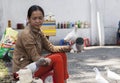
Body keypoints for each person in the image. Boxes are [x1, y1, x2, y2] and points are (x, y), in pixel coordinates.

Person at [12, 5, 72, 83]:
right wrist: (46, 60)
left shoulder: (39, 31)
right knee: (57, 58)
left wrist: (68, 47)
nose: (38, 21)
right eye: (34, 18)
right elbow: (35, 58)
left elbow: (51, 48)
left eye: (40, 18)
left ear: (43, 19)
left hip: (33, 66)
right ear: (28, 19)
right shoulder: (26, 34)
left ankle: (64, 81)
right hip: (22, 72)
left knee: (62, 54)